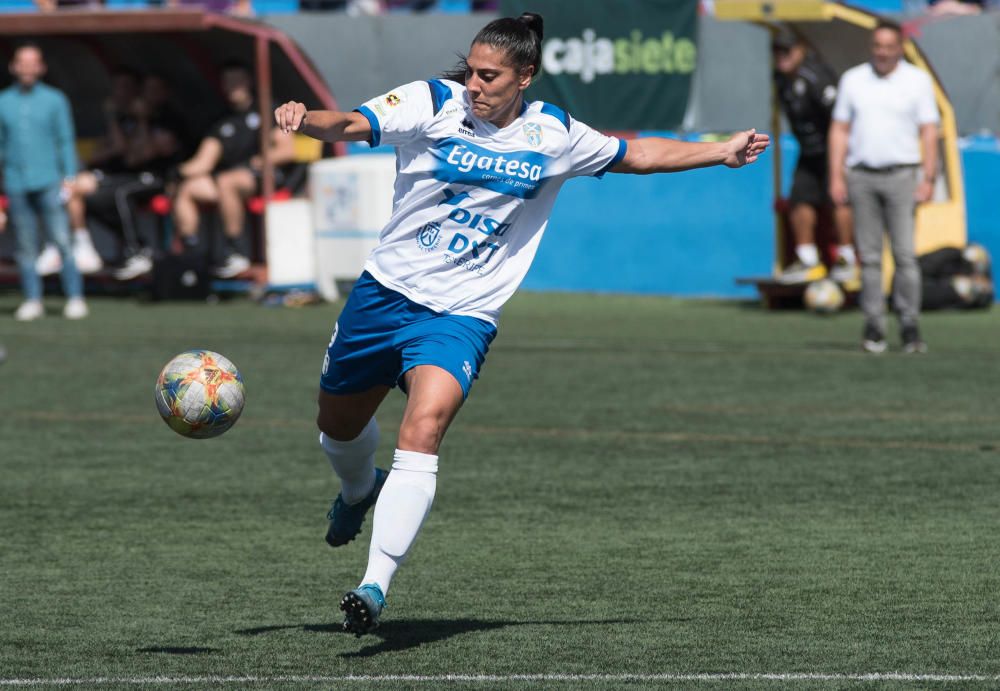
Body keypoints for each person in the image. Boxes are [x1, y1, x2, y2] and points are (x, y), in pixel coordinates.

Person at [273, 12, 770, 637]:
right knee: (337, 426)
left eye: (490, 76)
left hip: (462, 314)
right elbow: (348, 123)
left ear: (524, 76)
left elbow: (636, 153)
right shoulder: (432, 101)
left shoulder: (553, 133)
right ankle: (355, 491)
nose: (475, 85)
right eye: (473, 73)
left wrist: (719, 151)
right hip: (384, 296)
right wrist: (304, 118)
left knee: (422, 429)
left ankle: (374, 584)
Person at [828, 20, 939, 354]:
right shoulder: (854, 80)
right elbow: (840, 129)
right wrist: (836, 174)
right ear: (871, 47)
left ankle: (909, 324)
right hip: (862, 175)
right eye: (878, 46)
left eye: (889, 46)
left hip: (902, 175)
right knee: (870, 257)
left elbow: (929, 131)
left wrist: (929, 177)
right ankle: (874, 324)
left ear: (900, 47)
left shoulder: (917, 81)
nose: (883, 53)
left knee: (905, 255)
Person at [172, 61, 295, 278]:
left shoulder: (268, 109)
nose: (232, 86)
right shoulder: (222, 119)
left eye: (236, 81)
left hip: (264, 177)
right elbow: (203, 162)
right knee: (190, 187)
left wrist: (259, 161)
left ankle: (236, 251)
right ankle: (191, 254)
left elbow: (287, 151)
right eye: (227, 82)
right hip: (227, 180)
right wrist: (176, 173)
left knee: (228, 181)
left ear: (248, 82)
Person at [0, 43, 88, 321]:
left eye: (32, 62)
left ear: (41, 67)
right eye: (21, 62)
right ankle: (32, 299)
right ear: (13, 66)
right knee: (25, 246)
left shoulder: (55, 99)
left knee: (61, 239)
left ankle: (74, 296)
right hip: (16, 181)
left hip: (49, 179)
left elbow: (65, 140)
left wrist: (70, 177)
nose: (27, 67)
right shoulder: (3, 101)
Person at [771, 29, 858, 286]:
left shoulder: (817, 77)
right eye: (776, 51)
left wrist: (838, 160)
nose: (781, 57)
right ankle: (808, 260)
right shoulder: (780, 78)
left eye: (786, 51)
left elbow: (839, 122)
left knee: (838, 196)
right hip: (808, 151)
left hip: (834, 150)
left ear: (800, 51)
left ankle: (846, 258)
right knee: (799, 198)